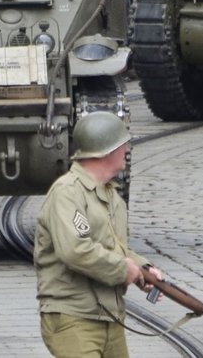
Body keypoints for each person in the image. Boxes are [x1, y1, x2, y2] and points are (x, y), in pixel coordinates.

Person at [34, 111, 160, 357]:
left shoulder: (112, 196)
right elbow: (76, 250)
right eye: (122, 143)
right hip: (74, 317)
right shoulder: (68, 193)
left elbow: (113, 248)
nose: (127, 148)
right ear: (106, 149)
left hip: (110, 316)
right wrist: (125, 269)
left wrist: (143, 268)